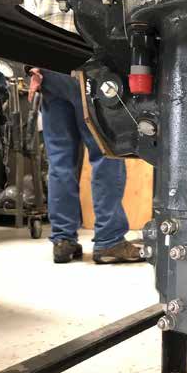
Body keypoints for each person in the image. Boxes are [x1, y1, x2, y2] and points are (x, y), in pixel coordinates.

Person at [27, 67, 144, 264]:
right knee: (106, 154)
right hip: (87, 69)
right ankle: (109, 240)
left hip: (49, 74)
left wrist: (33, 69)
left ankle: (63, 240)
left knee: (60, 160)